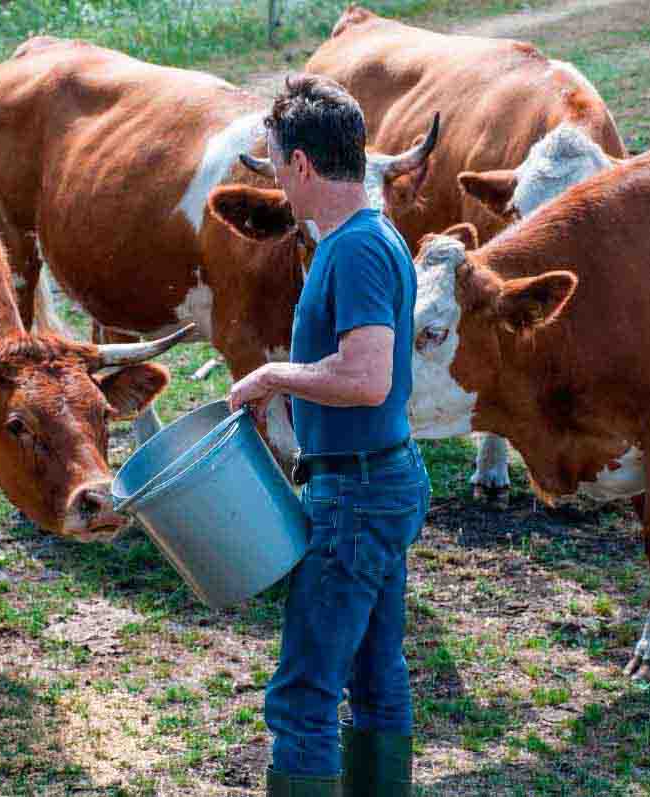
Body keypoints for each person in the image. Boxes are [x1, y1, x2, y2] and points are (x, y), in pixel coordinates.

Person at [228, 74, 431, 797]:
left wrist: (273, 375)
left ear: (303, 164)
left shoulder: (353, 250)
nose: (278, 182)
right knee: (375, 675)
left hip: (357, 493)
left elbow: (367, 377)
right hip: (377, 480)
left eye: (278, 166)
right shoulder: (374, 238)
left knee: (303, 693)